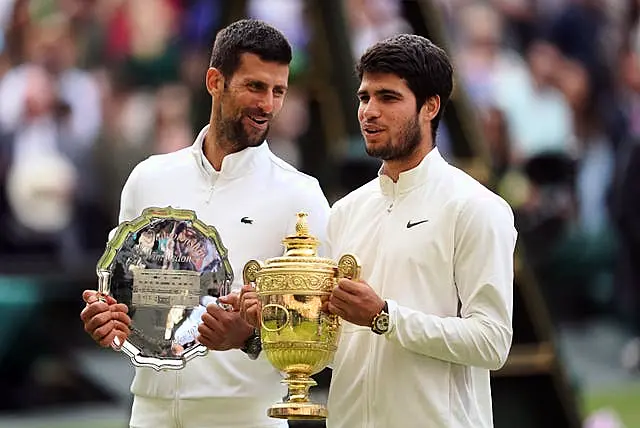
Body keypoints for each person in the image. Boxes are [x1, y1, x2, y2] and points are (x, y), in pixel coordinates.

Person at [240, 34, 517, 428]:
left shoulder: (476, 207)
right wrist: (278, 319)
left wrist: (385, 317)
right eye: (364, 97)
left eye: (388, 98)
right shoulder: (346, 212)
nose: (369, 111)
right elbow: (347, 350)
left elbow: (491, 342)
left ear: (430, 106)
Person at [80, 19, 330, 428]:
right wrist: (106, 320)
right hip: (150, 411)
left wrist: (247, 339)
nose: (268, 104)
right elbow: (123, 295)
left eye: (278, 91)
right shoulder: (148, 178)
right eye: (255, 86)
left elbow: (324, 332)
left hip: (248, 416)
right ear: (215, 81)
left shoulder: (301, 195)